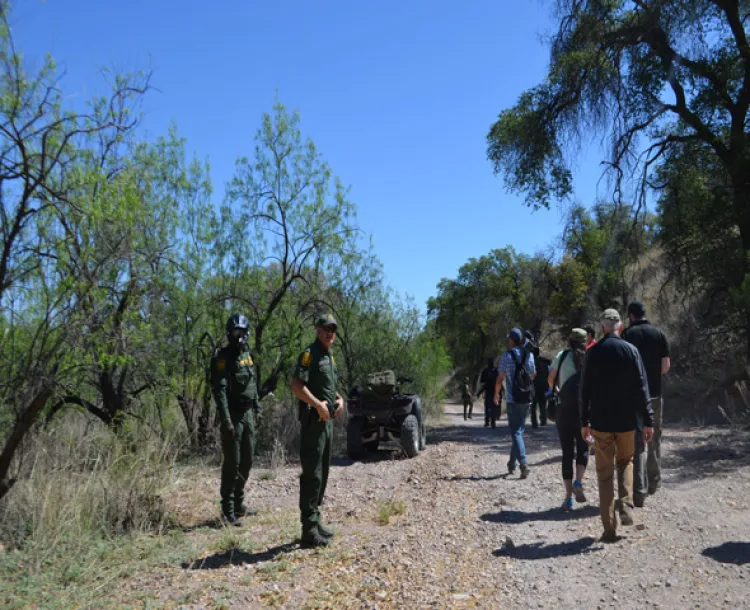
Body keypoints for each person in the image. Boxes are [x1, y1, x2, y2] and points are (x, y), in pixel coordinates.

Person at [580, 309, 654, 542]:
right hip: (626, 421)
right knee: (626, 461)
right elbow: (643, 388)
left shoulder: (593, 353)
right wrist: (648, 420)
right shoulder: (631, 351)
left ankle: (609, 529)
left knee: (604, 475)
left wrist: (584, 422)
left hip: (601, 423)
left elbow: (584, 391)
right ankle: (625, 505)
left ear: (603, 327)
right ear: (620, 327)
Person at [291, 314, 345, 548]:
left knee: (322, 473)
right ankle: (308, 530)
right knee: (312, 474)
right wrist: (317, 405)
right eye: (325, 329)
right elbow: (296, 385)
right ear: (317, 329)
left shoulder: (329, 357)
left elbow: (328, 387)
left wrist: (339, 399)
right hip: (314, 422)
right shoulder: (309, 354)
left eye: (333, 329)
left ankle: (315, 520)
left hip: (328, 422)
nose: (329, 333)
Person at [211, 313, 260, 526]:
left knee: (247, 460)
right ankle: (228, 510)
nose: (238, 336)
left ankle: (239, 504)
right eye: (235, 331)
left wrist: (257, 404)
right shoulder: (222, 357)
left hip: (248, 413)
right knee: (233, 462)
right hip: (233, 414)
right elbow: (220, 392)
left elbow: (252, 381)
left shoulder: (247, 354)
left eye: (242, 331)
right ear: (229, 333)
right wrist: (226, 420)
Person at [622, 300, 671, 507]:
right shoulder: (659, 334)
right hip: (655, 394)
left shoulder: (626, 336)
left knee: (636, 441)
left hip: (632, 396)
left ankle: (637, 484)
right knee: (655, 436)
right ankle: (654, 480)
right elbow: (665, 367)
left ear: (631, 316)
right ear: (644, 313)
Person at [548, 328, 589, 510]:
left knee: (567, 452)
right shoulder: (590, 357)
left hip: (564, 410)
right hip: (583, 412)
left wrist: (557, 388)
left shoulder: (562, 356)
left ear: (570, 341)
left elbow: (550, 379)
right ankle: (578, 482)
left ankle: (568, 498)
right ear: (585, 341)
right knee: (583, 449)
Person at [495, 328, 536, 479]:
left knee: (516, 432)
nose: (508, 341)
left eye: (509, 338)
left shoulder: (506, 356)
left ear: (513, 340)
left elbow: (500, 379)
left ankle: (523, 463)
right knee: (518, 431)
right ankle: (512, 464)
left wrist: (496, 395)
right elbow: (533, 374)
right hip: (526, 398)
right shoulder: (529, 355)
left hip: (512, 400)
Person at [477, 358, 501, 427]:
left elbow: (482, 382)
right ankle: (493, 422)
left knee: (487, 407)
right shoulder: (496, 371)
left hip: (488, 390)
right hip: (494, 390)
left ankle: (487, 422)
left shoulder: (485, 370)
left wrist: (479, 392)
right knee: (493, 407)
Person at [531, 347, 550, 428]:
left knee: (533, 405)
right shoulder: (544, 361)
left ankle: (534, 422)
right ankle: (543, 420)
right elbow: (547, 372)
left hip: (533, 385)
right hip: (542, 385)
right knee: (542, 404)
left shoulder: (531, 361)